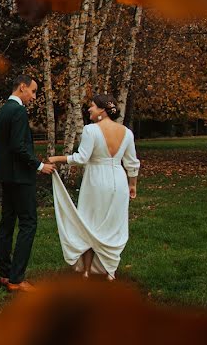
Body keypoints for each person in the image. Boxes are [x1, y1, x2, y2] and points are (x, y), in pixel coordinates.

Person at [46, 94, 140, 280]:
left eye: (92, 106)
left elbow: (82, 158)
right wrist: (132, 184)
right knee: (113, 225)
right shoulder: (127, 132)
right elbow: (132, 162)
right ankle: (110, 272)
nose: (89, 109)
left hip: (96, 180)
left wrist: (57, 158)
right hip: (118, 180)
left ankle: (87, 271)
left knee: (88, 224)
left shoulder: (91, 130)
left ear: (102, 110)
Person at [0, 75, 56, 293]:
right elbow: (18, 147)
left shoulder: (1, 111)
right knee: (28, 223)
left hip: (6, 176)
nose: (34, 96)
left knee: (7, 223)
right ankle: (16, 279)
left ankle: (5, 273)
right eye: (33, 91)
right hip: (21, 177)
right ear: (22, 87)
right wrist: (40, 166)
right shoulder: (18, 111)